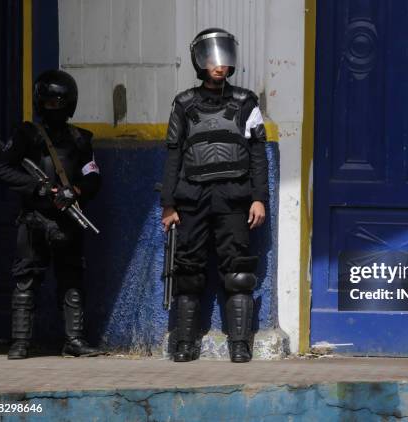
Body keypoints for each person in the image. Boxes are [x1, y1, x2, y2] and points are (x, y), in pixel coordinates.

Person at [159, 28, 268, 363]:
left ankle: (239, 343)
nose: (219, 66)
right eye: (211, 59)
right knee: (188, 270)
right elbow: (174, 155)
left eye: (223, 58)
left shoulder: (246, 102)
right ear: (200, 62)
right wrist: (168, 204)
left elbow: (257, 155)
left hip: (234, 196)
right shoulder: (183, 104)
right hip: (192, 196)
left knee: (237, 271)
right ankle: (185, 342)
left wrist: (259, 198)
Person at [0, 69, 102, 359]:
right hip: (33, 220)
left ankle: (74, 340)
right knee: (26, 281)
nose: (54, 109)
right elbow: (2, 169)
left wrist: (74, 192)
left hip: (67, 219)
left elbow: (93, 178)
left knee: (72, 280)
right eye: (49, 103)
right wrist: (37, 188)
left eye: (59, 103)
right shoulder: (26, 135)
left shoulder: (81, 140)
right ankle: (20, 342)